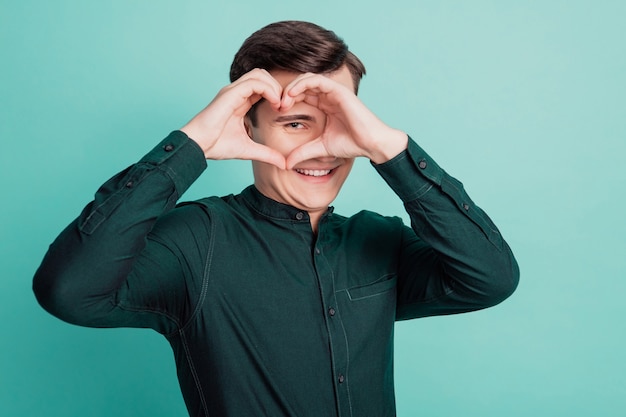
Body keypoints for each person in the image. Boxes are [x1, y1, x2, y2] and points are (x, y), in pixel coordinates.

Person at [33, 20, 519, 417]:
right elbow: (69, 291)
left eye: (340, 120)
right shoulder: (195, 242)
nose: (322, 147)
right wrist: (191, 147)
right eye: (295, 123)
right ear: (249, 126)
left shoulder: (380, 239)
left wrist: (391, 149)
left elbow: (490, 279)